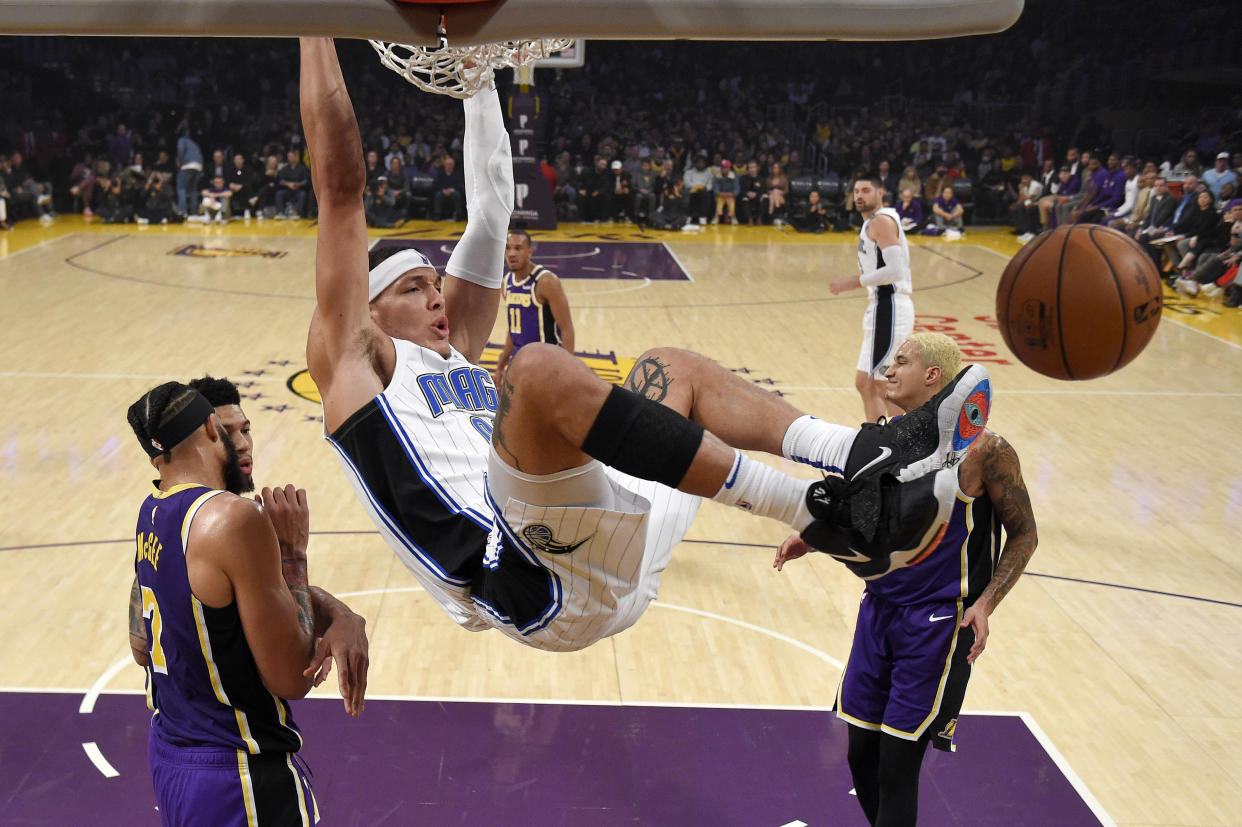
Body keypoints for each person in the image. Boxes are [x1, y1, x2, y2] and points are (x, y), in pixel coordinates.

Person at [299, 37, 992, 653]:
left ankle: (855, 457)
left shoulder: (453, 351)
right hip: (521, 575)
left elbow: (490, 210)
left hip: (613, 557)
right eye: (413, 288)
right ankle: (813, 508)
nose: (435, 296)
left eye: (434, 281)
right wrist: (315, 21)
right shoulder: (355, 363)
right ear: (364, 310)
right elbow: (339, 186)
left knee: (670, 370)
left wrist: (478, 78)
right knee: (537, 369)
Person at [774, 332, 1037, 827]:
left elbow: (1024, 534)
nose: (888, 371)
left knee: (898, 768)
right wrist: (815, 536)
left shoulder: (986, 450)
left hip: (938, 623)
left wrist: (986, 603)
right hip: (879, 611)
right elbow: (867, 514)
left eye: (902, 362)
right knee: (861, 757)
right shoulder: (887, 439)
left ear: (933, 377)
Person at [126, 379, 369, 826]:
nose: (242, 443)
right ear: (209, 428)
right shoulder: (233, 518)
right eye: (229, 429)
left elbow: (142, 646)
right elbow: (293, 677)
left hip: (171, 756)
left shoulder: (152, 511)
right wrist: (293, 551)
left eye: (247, 429)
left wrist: (339, 612)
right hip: (238, 773)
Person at [829, 174, 916, 424]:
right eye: (856, 191)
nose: (859, 195)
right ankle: (891, 445)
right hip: (882, 308)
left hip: (889, 308)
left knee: (878, 386)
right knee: (868, 384)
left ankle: (884, 448)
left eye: (866, 190)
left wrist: (853, 281)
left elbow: (896, 270)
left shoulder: (881, 222)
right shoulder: (874, 222)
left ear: (880, 193)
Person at [493, 230, 575, 384]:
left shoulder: (546, 281)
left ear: (529, 252)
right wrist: (500, 365)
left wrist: (567, 371)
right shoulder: (506, 283)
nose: (511, 253)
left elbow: (567, 329)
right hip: (518, 362)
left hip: (547, 362)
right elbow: (514, 329)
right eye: (507, 248)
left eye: (518, 248)